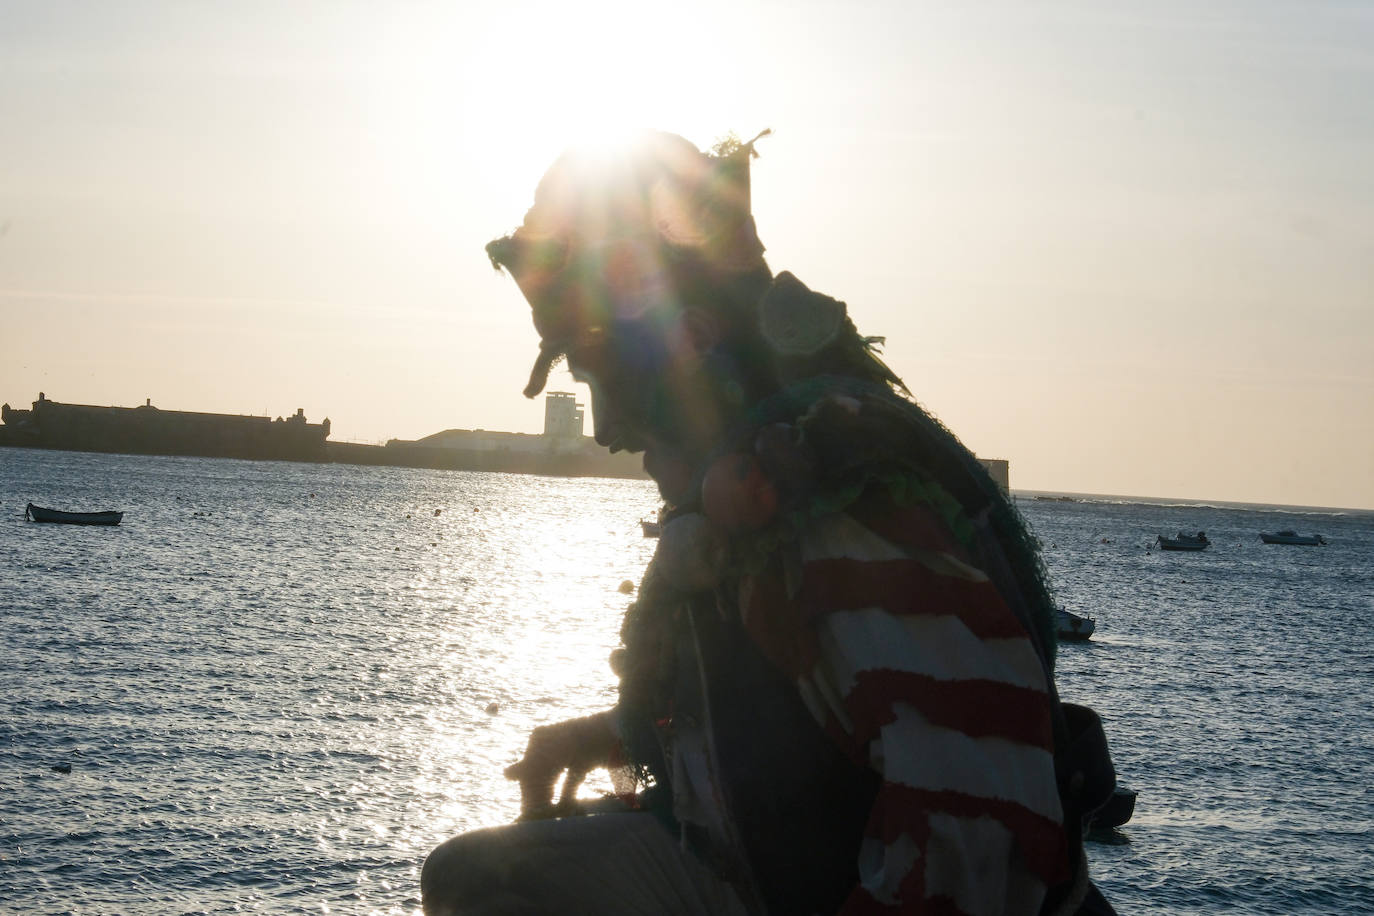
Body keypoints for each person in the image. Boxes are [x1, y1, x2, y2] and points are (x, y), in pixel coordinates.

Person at [422, 131, 1117, 915]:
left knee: (482, 883)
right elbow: (793, 730)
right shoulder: (754, 501)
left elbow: (979, 835)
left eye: (596, 374)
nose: (605, 429)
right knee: (476, 875)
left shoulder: (835, 506)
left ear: (690, 346)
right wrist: (606, 737)